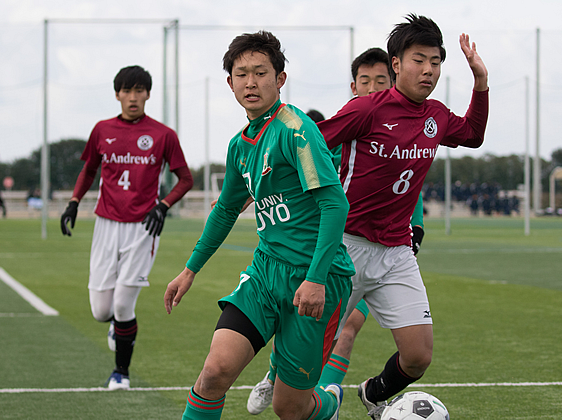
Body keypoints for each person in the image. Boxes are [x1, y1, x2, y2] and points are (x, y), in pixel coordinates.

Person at [164, 31, 354, 420]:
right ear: (230, 82)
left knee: (290, 409)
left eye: (260, 72)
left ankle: (329, 402)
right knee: (214, 372)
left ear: (279, 79)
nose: (251, 82)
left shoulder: (296, 130)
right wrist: (190, 269)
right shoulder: (239, 146)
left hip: (316, 279)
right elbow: (225, 210)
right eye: (241, 73)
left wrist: (315, 279)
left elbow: (335, 204)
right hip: (266, 275)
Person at [316, 14, 489, 418]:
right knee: (312, 350)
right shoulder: (367, 109)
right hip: (345, 248)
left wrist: (480, 82)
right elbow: (314, 142)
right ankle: (292, 388)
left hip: (396, 253)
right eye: (418, 60)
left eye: (435, 61)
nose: (428, 70)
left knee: (418, 357)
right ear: (396, 64)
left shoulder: (436, 115)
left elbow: (473, 135)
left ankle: (373, 394)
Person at [247, 46, 429, 416]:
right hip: (340, 248)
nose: (373, 87)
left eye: (381, 81)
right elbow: (300, 163)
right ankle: (278, 376)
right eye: (366, 81)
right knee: (316, 330)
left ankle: (364, 393)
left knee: (358, 333)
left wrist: (417, 227)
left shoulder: (406, 127)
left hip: (391, 252)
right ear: (353, 86)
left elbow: (410, 181)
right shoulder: (346, 125)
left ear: (392, 81)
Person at [60, 65, 193, 390]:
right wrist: (74, 201)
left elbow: (186, 179)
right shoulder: (102, 129)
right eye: (126, 91)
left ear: (148, 94)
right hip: (106, 225)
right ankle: (118, 327)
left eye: (139, 91)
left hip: (142, 229)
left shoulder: (163, 135)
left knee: (123, 305)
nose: (133, 97)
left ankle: (121, 373)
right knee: (100, 310)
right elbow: (89, 169)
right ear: (117, 94)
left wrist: (163, 206)